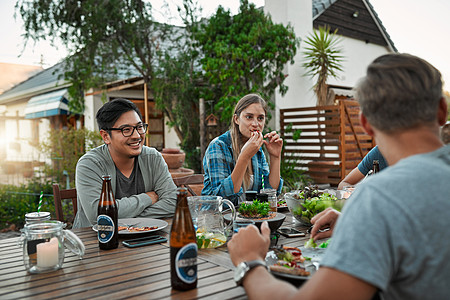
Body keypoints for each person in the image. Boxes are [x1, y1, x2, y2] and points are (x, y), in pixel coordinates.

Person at [227, 53, 450, 299]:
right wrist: (351, 222)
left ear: (365, 123)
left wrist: (249, 263)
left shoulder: (379, 198)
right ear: (442, 110)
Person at [73, 98, 177, 228]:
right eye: (126, 130)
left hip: (144, 237)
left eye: (139, 127)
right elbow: (98, 215)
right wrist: (146, 198)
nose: (137, 136)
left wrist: (127, 220)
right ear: (106, 136)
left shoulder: (152, 158)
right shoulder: (90, 164)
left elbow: (173, 202)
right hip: (96, 240)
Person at [202, 94, 283, 205]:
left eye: (260, 118)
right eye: (249, 117)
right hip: (218, 217)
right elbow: (223, 199)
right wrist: (244, 157)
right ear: (236, 119)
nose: (256, 124)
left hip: (249, 217)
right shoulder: (218, 146)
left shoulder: (257, 151)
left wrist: (275, 157)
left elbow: (270, 193)